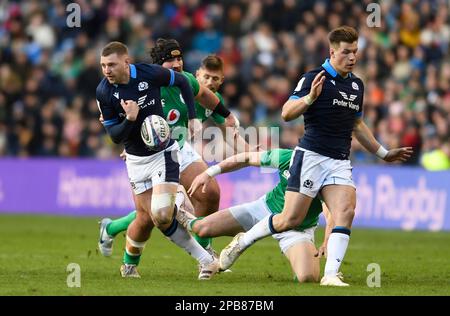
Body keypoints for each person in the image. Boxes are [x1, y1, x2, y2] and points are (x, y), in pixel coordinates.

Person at [218, 26, 413, 286]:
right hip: (311, 156)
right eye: (346, 52)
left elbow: (357, 125)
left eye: (355, 52)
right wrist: (310, 98)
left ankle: (330, 275)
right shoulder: (314, 77)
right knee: (290, 219)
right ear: (332, 52)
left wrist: (383, 153)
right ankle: (244, 240)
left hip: (339, 161)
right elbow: (287, 113)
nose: (352, 57)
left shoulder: (356, 84)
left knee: (346, 210)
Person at [98, 48, 248, 257]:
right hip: (150, 154)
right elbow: (132, 118)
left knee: (209, 193)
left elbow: (224, 122)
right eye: (207, 77)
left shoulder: (190, 85)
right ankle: (112, 229)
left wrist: (252, 154)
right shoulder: (151, 85)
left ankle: (205, 253)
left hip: (179, 148)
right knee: (151, 216)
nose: (177, 64)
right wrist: (130, 141)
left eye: (179, 59)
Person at [176, 148, 335, 283]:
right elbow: (247, 157)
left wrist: (328, 239)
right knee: (202, 228)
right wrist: (209, 173)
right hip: (264, 209)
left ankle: (247, 242)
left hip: (297, 229)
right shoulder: (288, 157)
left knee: (307, 277)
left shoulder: (326, 174)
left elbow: (331, 209)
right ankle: (180, 210)